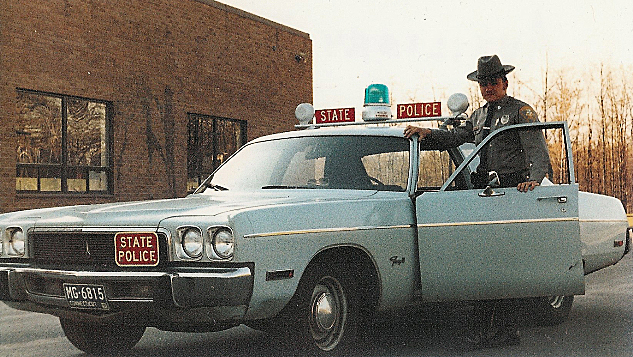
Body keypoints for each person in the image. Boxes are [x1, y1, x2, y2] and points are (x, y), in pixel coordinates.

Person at [404, 54, 551, 193]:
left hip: (514, 188)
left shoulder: (520, 111)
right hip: (485, 188)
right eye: (483, 84)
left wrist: (534, 180)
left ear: (505, 84)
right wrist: (428, 132)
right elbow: (454, 137)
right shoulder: (478, 116)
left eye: (494, 83)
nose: (488, 88)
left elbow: (537, 150)